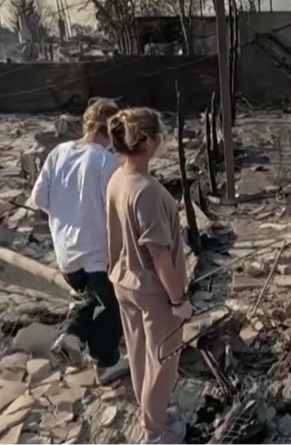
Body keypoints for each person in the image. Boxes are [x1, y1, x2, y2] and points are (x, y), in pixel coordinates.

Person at [106, 108, 192, 445]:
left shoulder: (118, 179)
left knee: (140, 354)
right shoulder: (148, 192)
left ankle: (151, 416)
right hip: (153, 290)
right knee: (162, 364)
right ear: (148, 141)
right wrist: (179, 300)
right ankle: (154, 435)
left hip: (124, 281)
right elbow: (159, 255)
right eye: (159, 135)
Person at [29, 98, 129, 385]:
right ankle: (105, 361)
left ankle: (71, 337)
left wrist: (67, 214)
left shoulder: (58, 153)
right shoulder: (106, 162)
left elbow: (39, 198)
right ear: (112, 130)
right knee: (115, 306)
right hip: (98, 252)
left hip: (66, 253)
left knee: (85, 299)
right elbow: (116, 210)